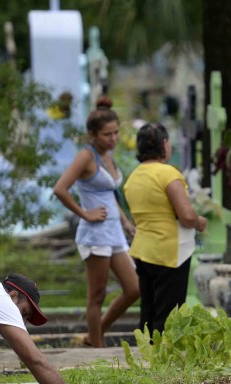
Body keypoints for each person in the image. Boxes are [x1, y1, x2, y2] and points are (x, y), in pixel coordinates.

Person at [54, 96, 139, 347]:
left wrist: (124, 221)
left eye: (115, 133)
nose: (113, 139)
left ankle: (96, 333)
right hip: (95, 234)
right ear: (92, 134)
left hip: (114, 232)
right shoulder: (86, 156)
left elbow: (110, 192)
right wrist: (85, 213)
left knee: (134, 288)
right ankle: (97, 348)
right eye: (106, 134)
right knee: (97, 295)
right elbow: (60, 189)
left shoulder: (107, 155)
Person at [123, 123, 207, 334]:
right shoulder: (168, 174)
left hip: (143, 250)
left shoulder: (134, 177)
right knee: (168, 313)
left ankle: (146, 355)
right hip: (169, 251)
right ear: (164, 144)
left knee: (148, 309)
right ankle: (163, 359)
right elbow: (187, 216)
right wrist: (200, 222)